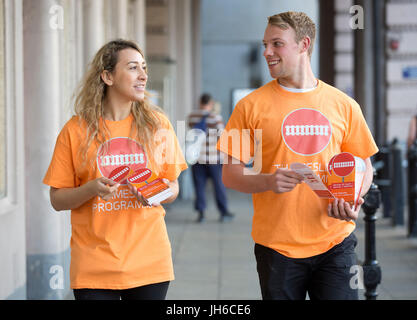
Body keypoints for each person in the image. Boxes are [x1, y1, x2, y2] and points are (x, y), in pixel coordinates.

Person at [217, 12, 378, 300]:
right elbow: (229, 175)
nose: (267, 52)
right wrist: (267, 180)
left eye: (276, 44)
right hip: (277, 248)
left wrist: (352, 196)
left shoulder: (344, 105)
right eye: (265, 44)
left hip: (336, 243)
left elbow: (364, 166)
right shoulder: (248, 106)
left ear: (304, 44)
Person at [43, 39, 187, 300]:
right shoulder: (75, 130)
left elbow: (173, 187)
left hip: (149, 262)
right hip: (94, 265)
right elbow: (56, 199)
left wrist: (158, 193)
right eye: (133, 68)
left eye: (144, 68)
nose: (143, 75)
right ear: (107, 76)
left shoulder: (158, 125)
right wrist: (90, 189)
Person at [187, 93, 234, 223]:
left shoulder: (192, 116)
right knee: (219, 185)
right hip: (213, 158)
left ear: (200, 102)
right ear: (211, 103)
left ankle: (201, 214)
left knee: (199, 186)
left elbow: (192, 131)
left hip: (197, 158)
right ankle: (224, 212)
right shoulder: (215, 117)